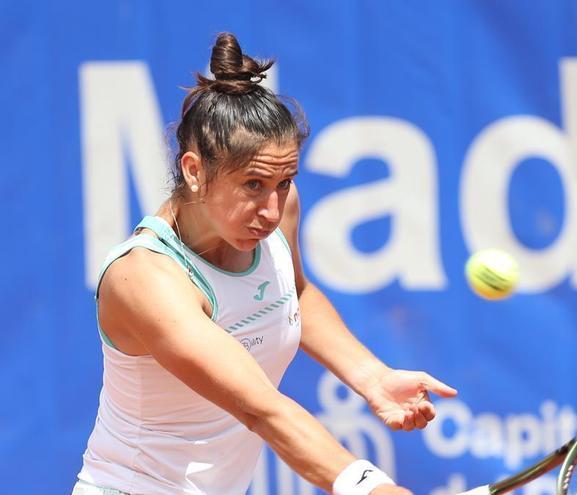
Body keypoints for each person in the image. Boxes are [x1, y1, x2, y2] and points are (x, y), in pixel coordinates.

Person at [73, 32, 456, 495]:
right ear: (194, 171)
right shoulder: (144, 280)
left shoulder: (278, 211)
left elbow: (294, 291)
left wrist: (372, 377)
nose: (272, 211)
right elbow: (262, 408)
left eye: (283, 182)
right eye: (252, 185)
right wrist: (374, 489)